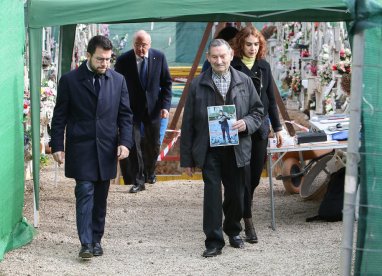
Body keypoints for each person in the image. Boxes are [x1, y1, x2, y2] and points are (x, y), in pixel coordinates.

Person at [50, 35, 133, 259]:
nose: (104, 64)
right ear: (88, 55)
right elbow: (59, 117)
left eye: (108, 59)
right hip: (81, 148)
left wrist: (125, 142)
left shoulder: (118, 81)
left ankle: (96, 239)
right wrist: (57, 145)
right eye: (100, 59)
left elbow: (125, 116)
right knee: (84, 192)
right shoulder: (70, 81)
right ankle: (86, 243)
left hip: (107, 149)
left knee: (100, 196)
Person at [180, 39, 264, 257]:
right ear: (208, 58)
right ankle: (214, 241)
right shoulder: (197, 85)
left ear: (231, 56)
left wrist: (246, 123)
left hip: (237, 148)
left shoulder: (245, 81)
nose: (219, 61)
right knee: (212, 196)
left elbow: (258, 112)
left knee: (237, 194)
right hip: (209, 150)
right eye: (214, 57)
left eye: (223, 56)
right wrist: (187, 160)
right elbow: (188, 123)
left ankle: (234, 230)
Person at [231, 26, 284, 243]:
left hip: (260, 128)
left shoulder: (264, 67)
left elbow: (270, 99)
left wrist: (279, 128)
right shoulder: (232, 66)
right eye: (248, 44)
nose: (253, 48)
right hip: (240, 128)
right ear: (241, 45)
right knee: (241, 175)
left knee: (253, 178)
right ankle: (247, 219)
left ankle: (245, 209)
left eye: (256, 44)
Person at [115, 30, 172, 192]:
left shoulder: (159, 57)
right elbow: (117, 85)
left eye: (144, 45)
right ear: (133, 45)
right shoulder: (123, 60)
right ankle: (138, 181)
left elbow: (167, 83)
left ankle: (150, 172)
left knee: (153, 144)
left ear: (150, 45)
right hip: (131, 110)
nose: (140, 49)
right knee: (134, 145)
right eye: (137, 45)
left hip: (153, 109)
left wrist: (165, 107)